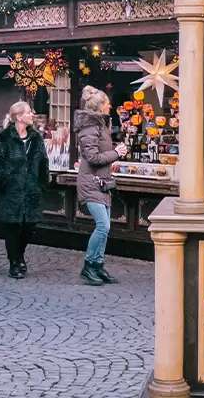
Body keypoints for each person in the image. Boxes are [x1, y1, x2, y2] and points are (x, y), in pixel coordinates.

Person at [74, 85, 130, 286]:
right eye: (107, 103)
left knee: (105, 228)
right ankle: (89, 265)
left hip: (102, 182)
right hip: (91, 183)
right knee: (103, 226)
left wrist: (113, 153)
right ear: (99, 107)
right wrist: (116, 153)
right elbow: (92, 157)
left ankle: (98, 265)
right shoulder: (90, 128)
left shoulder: (101, 126)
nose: (110, 106)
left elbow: (99, 154)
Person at [0, 101, 50, 279]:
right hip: (11, 191)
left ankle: (20, 255)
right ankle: (14, 262)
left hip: (31, 191)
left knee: (29, 227)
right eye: (29, 112)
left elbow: (43, 162)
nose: (32, 115)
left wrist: (42, 184)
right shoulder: (3, 138)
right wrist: (4, 179)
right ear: (19, 117)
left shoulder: (36, 138)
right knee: (12, 228)